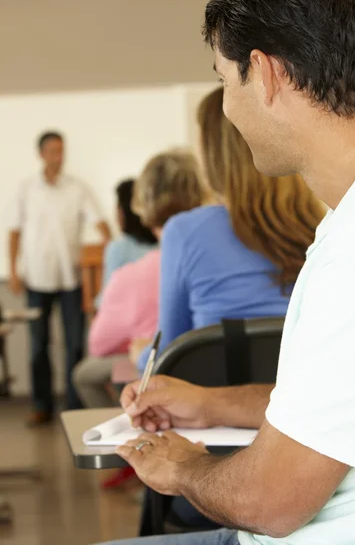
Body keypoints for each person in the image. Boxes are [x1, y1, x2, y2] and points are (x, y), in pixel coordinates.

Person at [97, 0, 355, 544]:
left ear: (264, 73)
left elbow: (271, 502)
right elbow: (346, 404)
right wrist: (211, 405)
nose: (228, 107)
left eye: (223, 80)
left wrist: (181, 467)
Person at [135, 86, 324, 373]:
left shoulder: (184, 232)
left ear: (213, 154)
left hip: (212, 408)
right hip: (306, 404)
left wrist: (138, 355)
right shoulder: (321, 225)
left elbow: (166, 353)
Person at [72, 148, 207, 410]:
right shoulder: (230, 250)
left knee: (98, 372)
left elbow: (103, 343)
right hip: (223, 376)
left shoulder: (131, 270)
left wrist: (140, 350)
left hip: (167, 367)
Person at [8, 131, 111, 426]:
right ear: (41, 154)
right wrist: (13, 270)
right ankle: (42, 406)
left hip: (71, 279)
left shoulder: (77, 188)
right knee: (39, 346)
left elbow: (101, 222)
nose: (58, 156)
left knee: (75, 345)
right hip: (37, 280)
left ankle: (75, 406)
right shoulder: (27, 189)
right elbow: (14, 231)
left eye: (61, 150)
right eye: (53, 151)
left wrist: (113, 250)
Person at [95, 179, 157, 308]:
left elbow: (107, 299)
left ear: (125, 211)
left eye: (118, 206)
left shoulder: (118, 249)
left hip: (127, 319)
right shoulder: (164, 245)